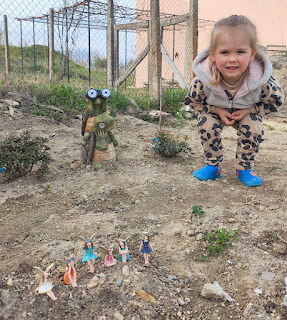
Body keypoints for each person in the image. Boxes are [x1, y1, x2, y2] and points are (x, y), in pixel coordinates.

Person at [185, 15, 284, 187]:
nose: (232, 59)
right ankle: (213, 166)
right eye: (224, 52)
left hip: (246, 112)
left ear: (252, 54)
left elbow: (276, 101)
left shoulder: (261, 80)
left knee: (254, 126)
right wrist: (216, 110)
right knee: (206, 123)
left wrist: (250, 111)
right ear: (213, 55)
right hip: (216, 111)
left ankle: (244, 168)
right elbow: (193, 101)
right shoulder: (204, 78)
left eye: (240, 52)